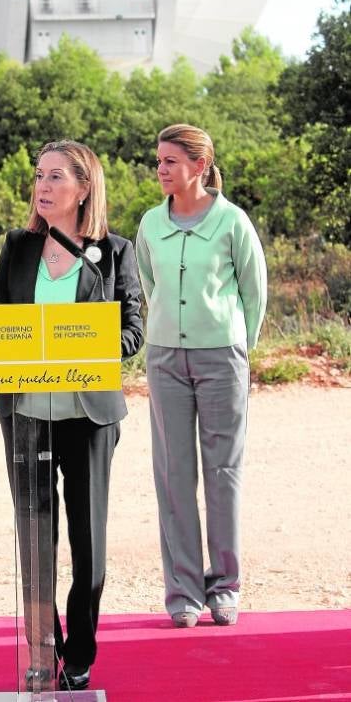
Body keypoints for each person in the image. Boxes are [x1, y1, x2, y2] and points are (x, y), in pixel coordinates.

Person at [0, 139, 143, 692]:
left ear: (84, 188)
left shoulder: (113, 252)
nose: (44, 186)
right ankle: (40, 650)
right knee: (36, 540)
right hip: (26, 410)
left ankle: (78, 654)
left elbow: (132, 332)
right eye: (39, 175)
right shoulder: (16, 247)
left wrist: (88, 345)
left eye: (57, 176)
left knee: (87, 543)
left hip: (88, 414)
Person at [135, 123, 267, 628]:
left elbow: (254, 292)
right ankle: (184, 594)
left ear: (199, 166)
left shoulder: (233, 221)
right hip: (166, 358)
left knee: (223, 473)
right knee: (172, 476)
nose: (161, 170)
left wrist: (238, 347)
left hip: (222, 358)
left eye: (170, 161)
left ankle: (225, 587)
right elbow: (150, 283)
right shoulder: (150, 223)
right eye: (159, 161)